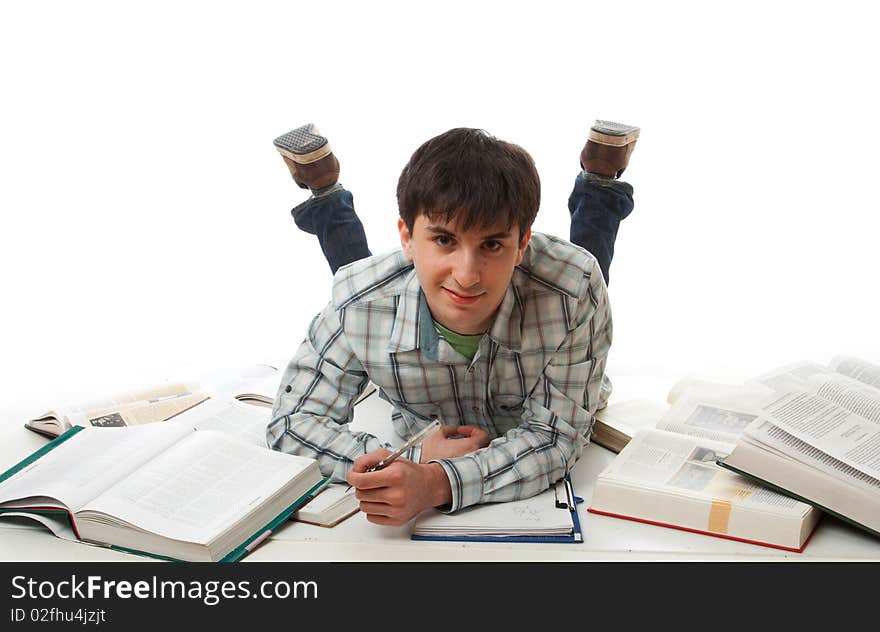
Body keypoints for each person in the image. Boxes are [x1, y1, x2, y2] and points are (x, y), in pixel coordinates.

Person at [267, 122, 638, 526]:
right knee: (363, 288)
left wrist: (435, 482)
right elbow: (292, 425)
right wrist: (415, 459)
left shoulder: (572, 290)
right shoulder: (359, 300)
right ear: (406, 239)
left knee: (589, 265)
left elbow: (555, 437)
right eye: (444, 240)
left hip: (553, 293)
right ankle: (325, 191)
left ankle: (600, 180)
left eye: (492, 244)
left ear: (522, 246)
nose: (467, 275)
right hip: (385, 293)